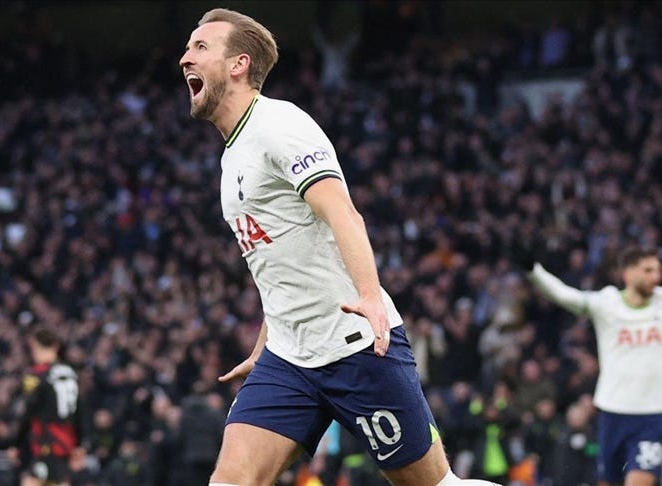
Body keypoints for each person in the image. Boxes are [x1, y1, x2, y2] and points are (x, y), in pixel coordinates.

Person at [179, 8, 498, 486]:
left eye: (200, 47)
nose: (185, 58)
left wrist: (370, 297)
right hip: (288, 358)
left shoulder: (280, 125)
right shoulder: (233, 154)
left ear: (238, 64)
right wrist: (267, 340)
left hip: (355, 345)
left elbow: (344, 214)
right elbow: (282, 256)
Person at [510, 245, 662, 486]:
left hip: (652, 416)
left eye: (657, 270)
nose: (656, 276)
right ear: (627, 273)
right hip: (612, 413)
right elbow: (564, 295)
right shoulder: (606, 305)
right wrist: (534, 271)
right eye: (647, 270)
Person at [8, 328, 86, 486]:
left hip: (47, 439)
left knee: (33, 481)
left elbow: (28, 412)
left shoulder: (36, 375)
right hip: (67, 440)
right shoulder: (70, 372)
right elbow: (79, 410)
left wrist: (16, 443)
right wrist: (80, 443)